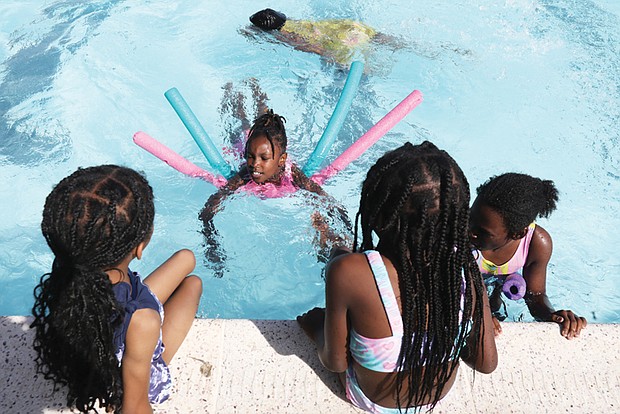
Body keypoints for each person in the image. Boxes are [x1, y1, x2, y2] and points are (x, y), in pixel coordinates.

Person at [297, 141, 498, 413]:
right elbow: (485, 363)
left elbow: (336, 363)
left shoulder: (348, 271)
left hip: (373, 400)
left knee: (339, 254)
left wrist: (317, 326)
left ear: (378, 215)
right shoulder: (464, 267)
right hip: (435, 397)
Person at [31, 165, 203, 413]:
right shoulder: (142, 321)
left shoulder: (69, 270)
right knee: (193, 284)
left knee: (186, 258)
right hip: (126, 367)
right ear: (140, 247)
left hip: (113, 327)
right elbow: (134, 408)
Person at [200, 93, 352, 275]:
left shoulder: (293, 175)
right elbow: (208, 210)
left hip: (263, 144)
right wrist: (212, 244)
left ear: (281, 160)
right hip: (248, 142)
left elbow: (329, 202)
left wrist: (351, 235)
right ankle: (237, 100)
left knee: (256, 123)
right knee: (241, 126)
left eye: (264, 159)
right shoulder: (243, 176)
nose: (254, 164)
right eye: (250, 157)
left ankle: (259, 97)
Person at [469, 172, 587, 339]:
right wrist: (475, 312)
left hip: (503, 279)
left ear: (518, 234)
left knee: (496, 309)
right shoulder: (458, 231)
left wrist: (551, 315)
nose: (470, 232)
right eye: (469, 218)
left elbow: (535, 296)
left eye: (482, 232)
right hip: (466, 279)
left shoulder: (536, 244)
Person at [247, 8, 403, 66]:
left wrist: (330, 57)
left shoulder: (285, 36)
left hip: (343, 42)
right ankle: (411, 46)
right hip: (349, 26)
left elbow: (311, 47)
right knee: (379, 38)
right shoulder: (290, 21)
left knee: (344, 66)